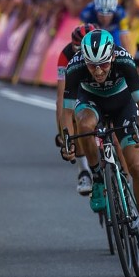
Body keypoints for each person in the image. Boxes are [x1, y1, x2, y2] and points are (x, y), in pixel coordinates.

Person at [59, 29, 139, 260]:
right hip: (91, 102)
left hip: (122, 103)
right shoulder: (75, 68)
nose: (97, 71)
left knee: (136, 166)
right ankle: (97, 177)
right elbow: (66, 113)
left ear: (112, 58)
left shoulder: (125, 60)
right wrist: (67, 140)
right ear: (84, 59)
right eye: (92, 65)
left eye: (103, 65)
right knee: (83, 125)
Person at [55, 23, 98, 195]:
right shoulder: (66, 56)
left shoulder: (102, 50)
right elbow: (61, 98)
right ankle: (84, 171)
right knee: (74, 117)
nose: (80, 51)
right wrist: (64, 134)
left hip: (98, 85)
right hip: (77, 87)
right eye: (76, 47)